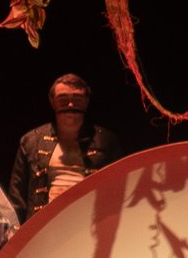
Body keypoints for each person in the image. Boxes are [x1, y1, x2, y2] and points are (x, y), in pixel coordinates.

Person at [9, 73, 119, 221]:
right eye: (63, 99)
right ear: (52, 101)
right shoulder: (31, 141)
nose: (70, 105)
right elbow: (17, 197)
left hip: (90, 222)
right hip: (44, 224)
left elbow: (119, 189)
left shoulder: (107, 141)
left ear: (86, 101)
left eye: (77, 98)